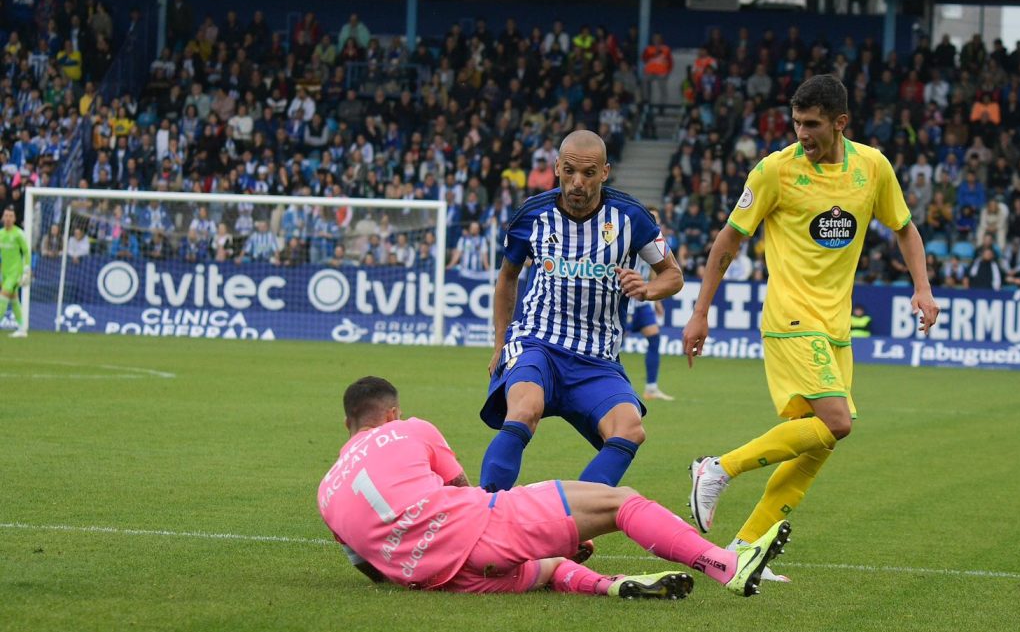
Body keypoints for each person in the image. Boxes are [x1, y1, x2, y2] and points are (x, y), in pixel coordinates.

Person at [682, 75, 939, 580]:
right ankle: (717, 469)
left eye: (813, 124)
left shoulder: (872, 167)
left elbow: (905, 228)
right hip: (791, 318)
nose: (802, 133)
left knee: (820, 440)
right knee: (837, 421)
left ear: (841, 123)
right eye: (797, 123)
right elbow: (727, 242)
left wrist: (923, 287)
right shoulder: (775, 171)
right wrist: (700, 311)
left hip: (835, 326)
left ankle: (744, 548)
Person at [319, 376, 791, 599]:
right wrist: (537, 525)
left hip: (441, 578)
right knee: (620, 502)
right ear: (391, 414)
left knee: (546, 567)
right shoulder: (409, 429)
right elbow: (467, 491)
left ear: (347, 424)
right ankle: (726, 564)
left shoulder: (326, 490)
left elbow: (370, 569)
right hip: (479, 531)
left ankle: (610, 587)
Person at [479, 130, 683, 493]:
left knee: (630, 429)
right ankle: (486, 516)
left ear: (604, 172)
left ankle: (570, 523)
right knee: (524, 408)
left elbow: (673, 275)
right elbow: (507, 279)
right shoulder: (532, 215)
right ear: (557, 167)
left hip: (597, 358)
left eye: (588, 174)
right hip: (537, 343)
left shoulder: (631, 217)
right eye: (569, 171)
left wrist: (648, 288)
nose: (577, 182)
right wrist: (500, 343)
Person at [624, 207, 673, 401]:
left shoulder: (657, 243)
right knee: (613, 344)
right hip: (625, 300)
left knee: (654, 338)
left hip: (643, 303)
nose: (655, 222)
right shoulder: (631, 237)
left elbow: (656, 272)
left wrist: (657, 299)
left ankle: (651, 388)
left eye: (658, 218)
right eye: (652, 218)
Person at [0, 207, 31, 337]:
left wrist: (26, 271)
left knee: (3, 296)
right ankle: (22, 328)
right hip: (4, 272)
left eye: (10, 216)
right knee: (14, 300)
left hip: (15, 272)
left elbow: (26, 252)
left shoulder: (18, 234)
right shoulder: (0, 234)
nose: (8, 218)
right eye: (6, 216)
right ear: (2, 217)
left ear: (14, 219)